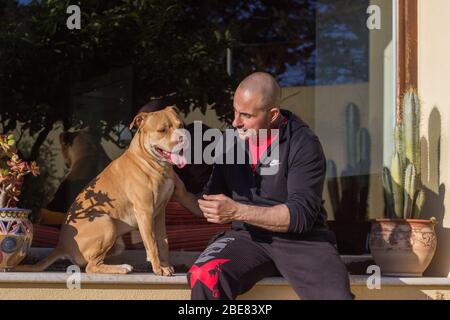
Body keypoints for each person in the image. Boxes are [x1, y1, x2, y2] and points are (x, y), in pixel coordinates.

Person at [171, 72, 354, 300]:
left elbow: (300, 216)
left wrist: (238, 211)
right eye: (235, 111)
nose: (235, 122)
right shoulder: (231, 141)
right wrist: (182, 195)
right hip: (248, 238)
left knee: (335, 297)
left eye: (246, 115)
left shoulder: (303, 144)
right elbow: (213, 203)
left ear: (272, 114)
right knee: (205, 275)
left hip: (301, 241)